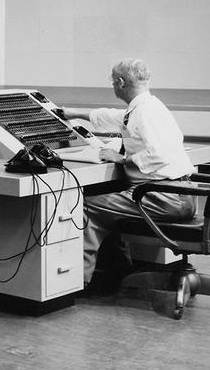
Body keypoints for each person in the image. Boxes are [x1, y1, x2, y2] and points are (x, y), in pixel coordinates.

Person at [64, 58, 195, 288]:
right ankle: (119, 269)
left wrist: (123, 159)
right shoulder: (149, 106)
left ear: (120, 83)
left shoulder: (144, 113)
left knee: (87, 205)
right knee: (109, 202)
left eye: (112, 81)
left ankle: (76, 282)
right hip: (181, 194)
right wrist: (74, 113)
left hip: (164, 197)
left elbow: (159, 154)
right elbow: (115, 117)